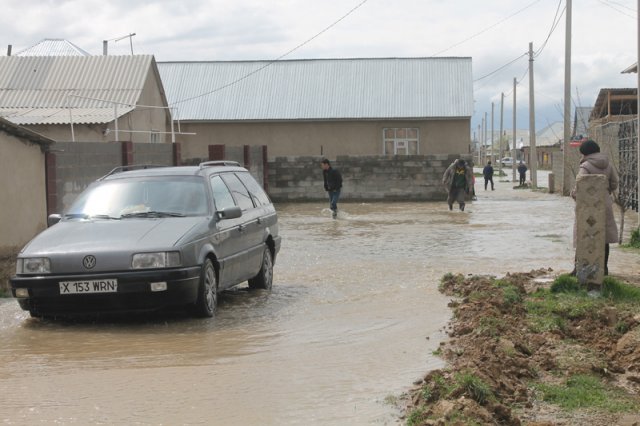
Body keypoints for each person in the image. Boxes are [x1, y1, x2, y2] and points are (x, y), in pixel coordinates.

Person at [570, 140, 618, 276]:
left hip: (588, 206)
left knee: (584, 234)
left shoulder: (585, 165)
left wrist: (573, 195)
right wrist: (605, 191)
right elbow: (614, 183)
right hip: (605, 204)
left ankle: (578, 269)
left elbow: (580, 185)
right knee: (604, 236)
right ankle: (604, 269)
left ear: (584, 152)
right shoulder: (608, 164)